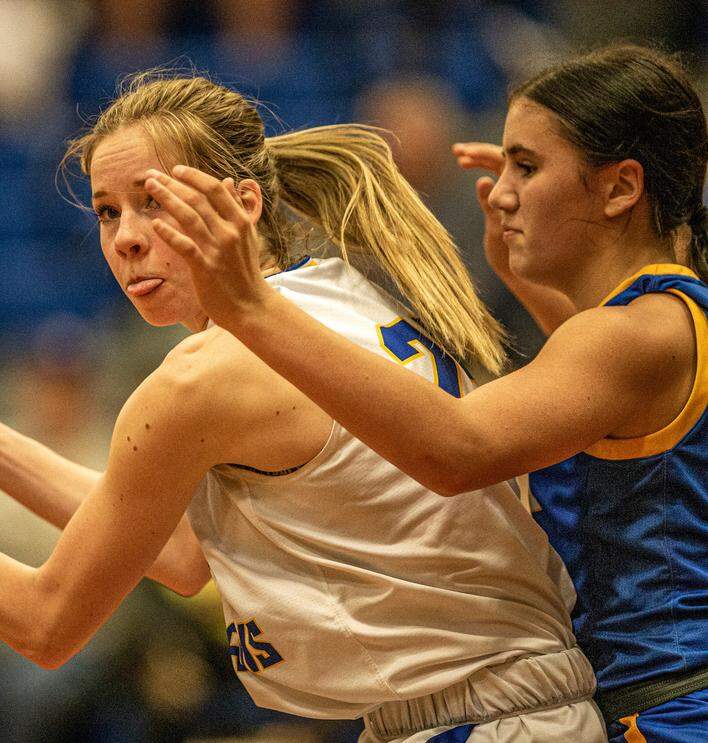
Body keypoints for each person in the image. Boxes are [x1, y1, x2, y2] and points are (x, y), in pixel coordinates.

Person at [0, 72, 605, 741]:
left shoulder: (201, 378)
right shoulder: (345, 290)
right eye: (108, 213)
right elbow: (185, 553)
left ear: (244, 201)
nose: (126, 237)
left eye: (154, 200)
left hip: (479, 717)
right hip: (513, 702)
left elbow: (45, 622)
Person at [143, 45, 708, 740]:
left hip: (672, 706)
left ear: (621, 188)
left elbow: (458, 450)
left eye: (527, 166)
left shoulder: (633, 335)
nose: (500, 192)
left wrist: (254, 309)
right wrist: (529, 286)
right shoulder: (654, 325)